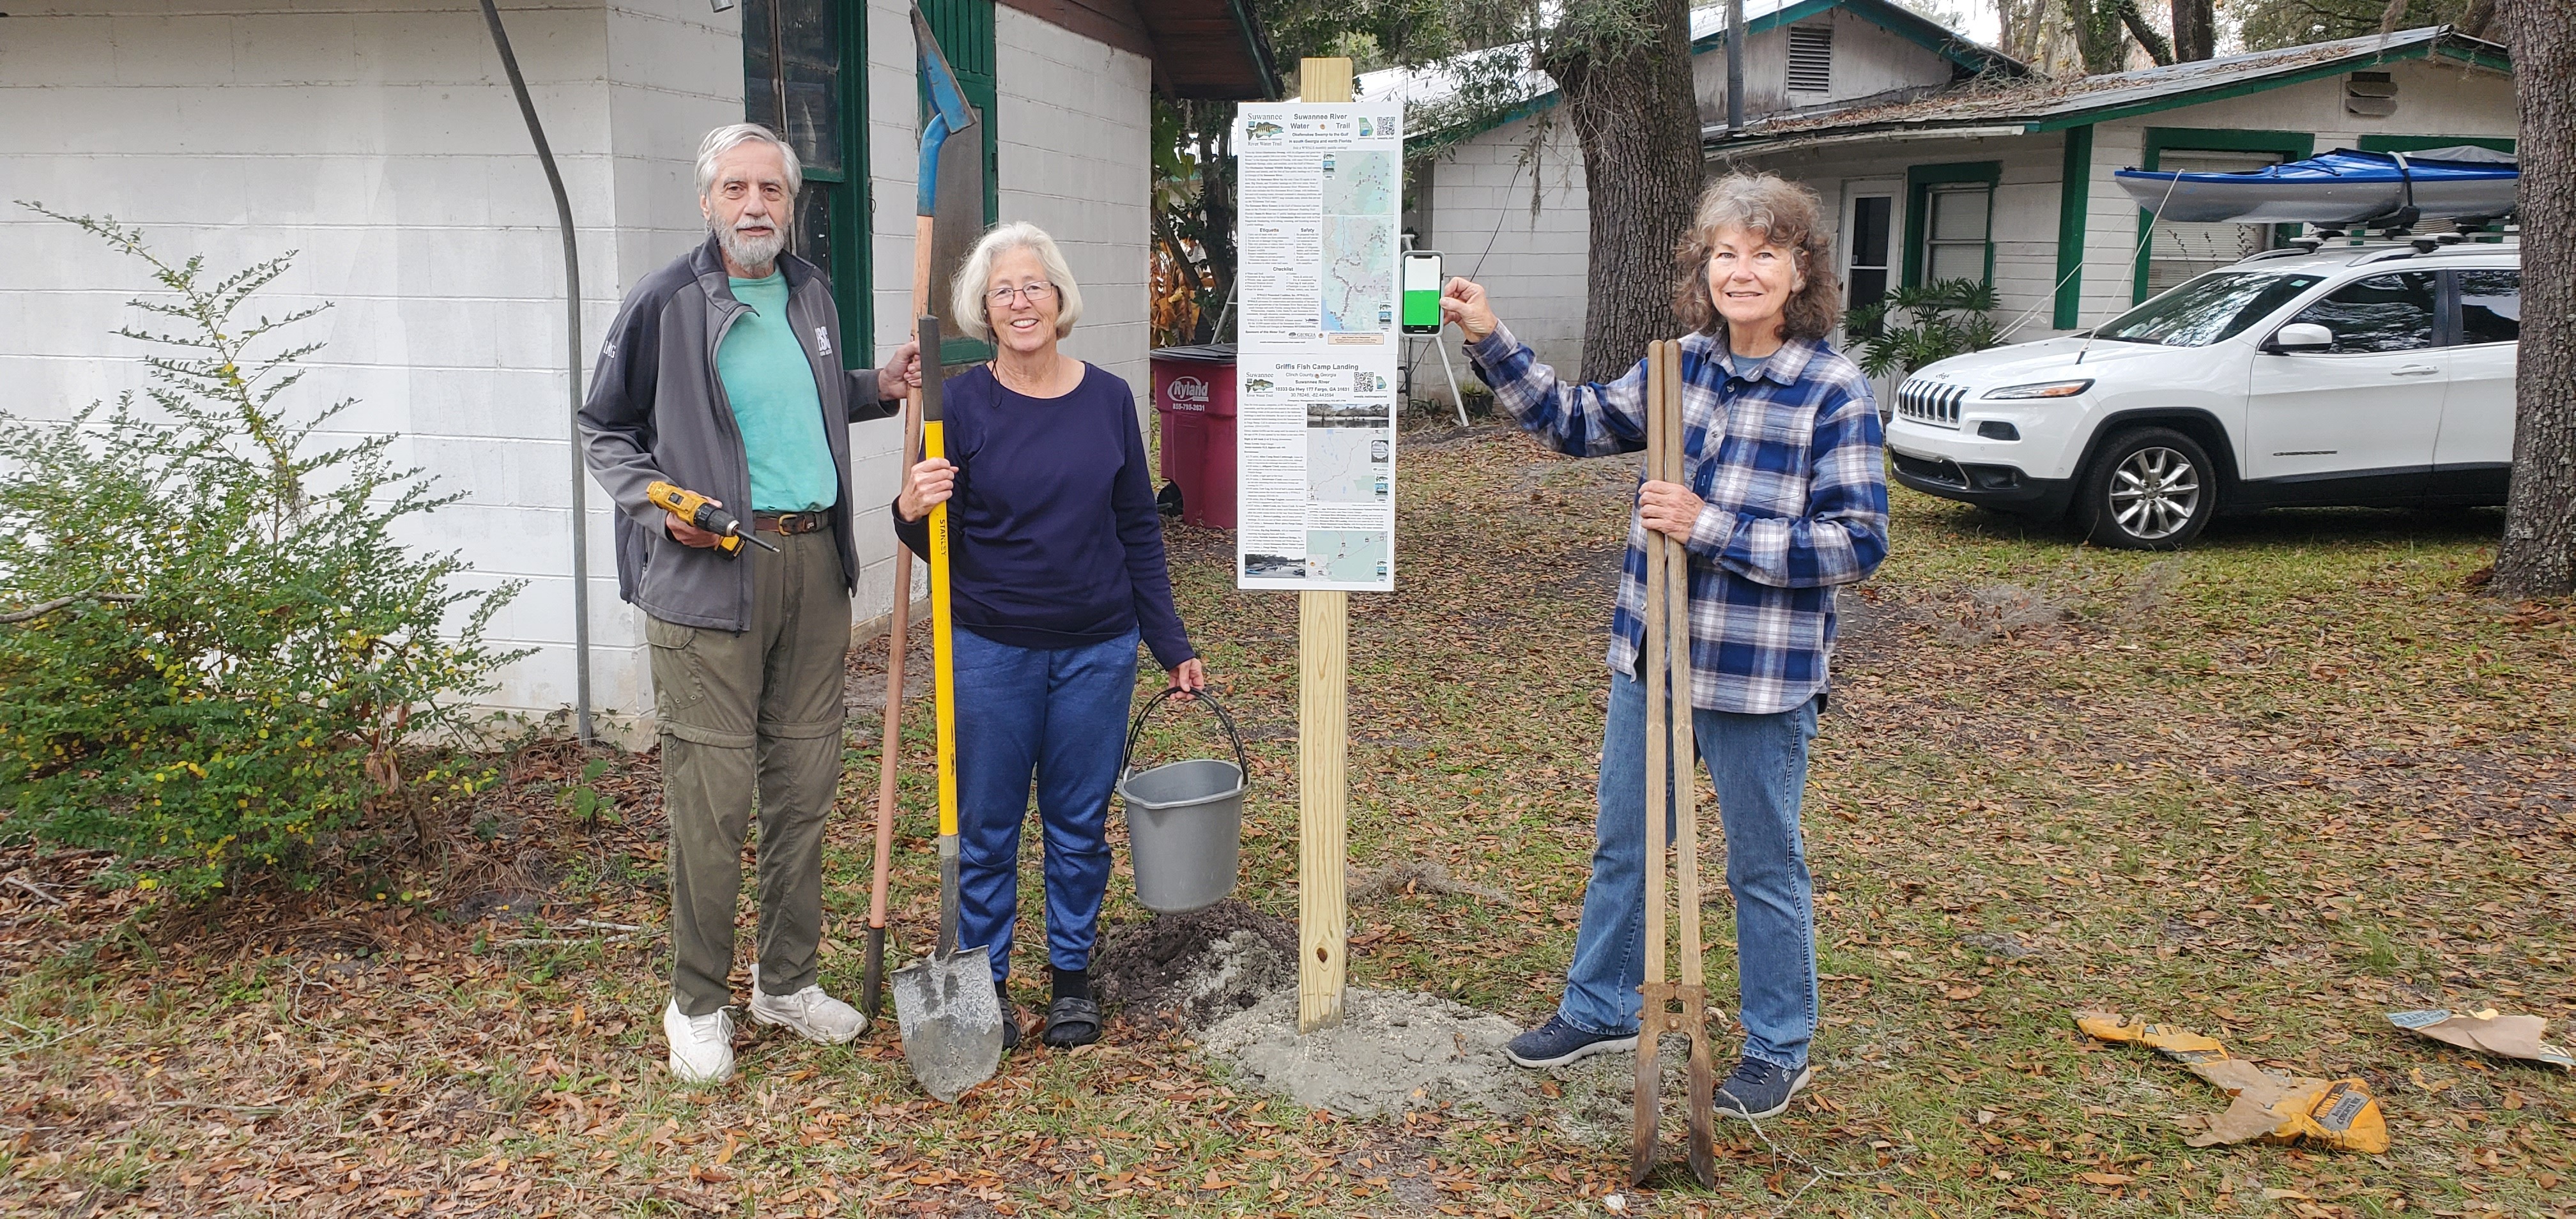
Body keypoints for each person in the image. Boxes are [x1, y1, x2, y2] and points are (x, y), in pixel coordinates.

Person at [1442, 172, 1888, 1119]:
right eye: (1726, 253)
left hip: (1759, 678)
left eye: (1766, 253)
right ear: (1703, 269)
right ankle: (1600, 1004)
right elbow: (1572, 422)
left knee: (1762, 866)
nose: (1743, 271)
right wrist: (1490, 337)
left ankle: (1778, 1045)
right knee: (1628, 846)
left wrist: (1709, 524)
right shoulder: (1674, 366)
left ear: (1800, 269)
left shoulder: (1833, 390)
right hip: (1655, 658)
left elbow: (1858, 541)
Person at [580, 123, 923, 1085]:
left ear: (792, 200)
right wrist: (657, 506)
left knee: (805, 788)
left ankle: (786, 980)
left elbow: (795, 403)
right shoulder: (665, 302)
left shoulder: (811, 291)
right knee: (714, 798)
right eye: (736, 188)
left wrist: (874, 386)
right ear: (708, 200)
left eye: (771, 188)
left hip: (813, 568)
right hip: (707, 578)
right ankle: (696, 1001)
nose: (755, 205)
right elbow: (603, 429)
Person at [893, 222, 1208, 1052]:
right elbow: (933, 544)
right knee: (989, 825)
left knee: (1076, 824)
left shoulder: (1108, 398)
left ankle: (1071, 979)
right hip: (990, 649)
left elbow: (1139, 528)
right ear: (984, 312)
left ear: (1060, 297)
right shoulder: (958, 405)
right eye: (1004, 291)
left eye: (1034, 285)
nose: (1021, 301)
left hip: (1096, 651)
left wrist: (1170, 644)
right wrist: (909, 510)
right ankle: (986, 985)